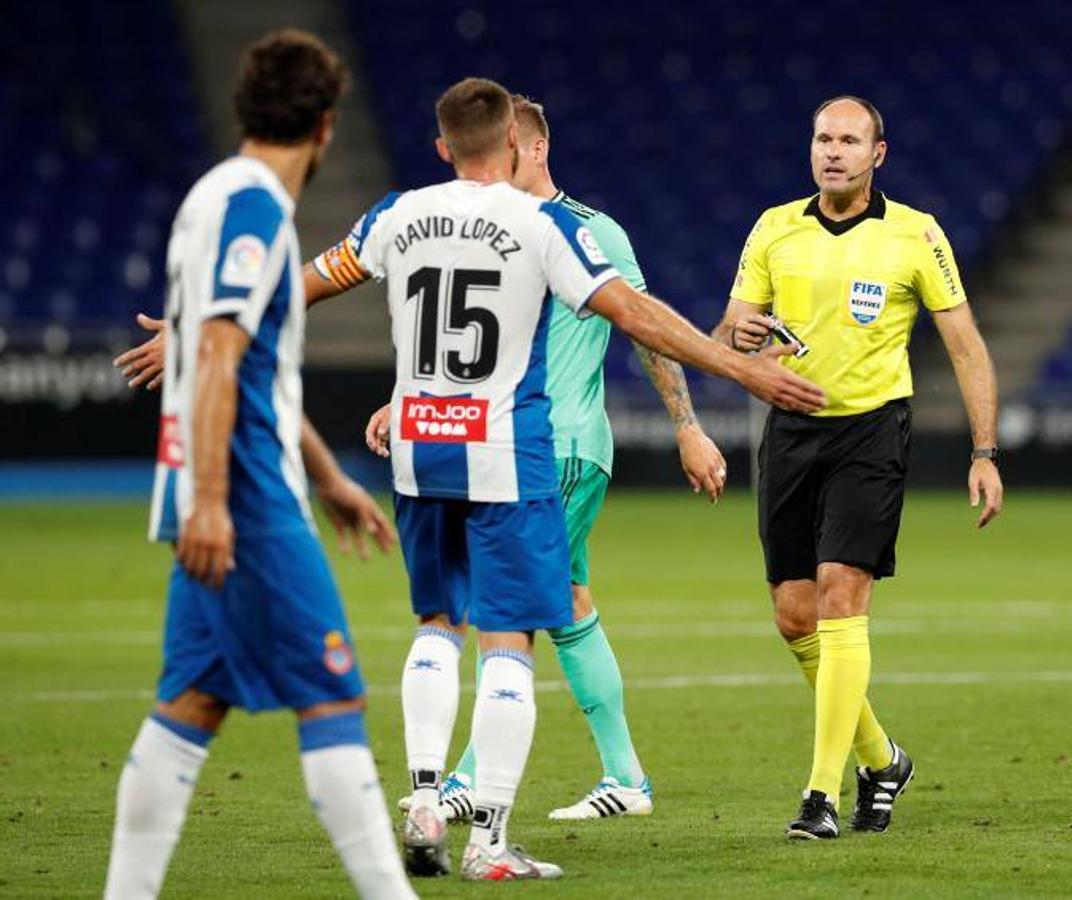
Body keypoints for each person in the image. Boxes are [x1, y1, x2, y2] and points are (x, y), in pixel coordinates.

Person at [307, 76, 823, 879]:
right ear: (510, 142)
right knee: (515, 631)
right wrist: (736, 372)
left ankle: (428, 793)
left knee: (443, 621)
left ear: (442, 147)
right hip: (517, 451)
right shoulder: (543, 225)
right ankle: (489, 832)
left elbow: (317, 291)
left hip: (427, 449)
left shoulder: (397, 215)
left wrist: (196, 328)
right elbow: (637, 316)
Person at [103, 30, 415, 900]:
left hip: (228, 482)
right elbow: (218, 352)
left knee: (190, 707)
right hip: (243, 497)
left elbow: (247, 364)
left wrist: (330, 476)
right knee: (332, 696)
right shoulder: (252, 210)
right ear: (324, 127)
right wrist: (214, 501)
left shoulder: (213, 195)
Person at [357, 94, 727, 824]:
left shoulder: (588, 232)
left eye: (505, 148)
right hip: (502, 446)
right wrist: (407, 402)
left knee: (502, 601)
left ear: (533, 149)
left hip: (556, 448)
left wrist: (688, 424)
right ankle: (625, 776)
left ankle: (463, 780)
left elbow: (647, 329)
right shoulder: (496, 235)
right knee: (566, 603)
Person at [710, 95, 1004, 841]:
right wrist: (739, 338)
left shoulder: (916, 234)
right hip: (791, 433)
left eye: (849, 139)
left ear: (879, 153)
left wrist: (984, 452)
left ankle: (820, 795)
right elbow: (726, 338)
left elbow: (965, 344)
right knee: (793, 615)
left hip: (872, 432)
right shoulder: (774, 228)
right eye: (822, 138)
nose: (832, 151)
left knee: (844, 597)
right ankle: (883, 759)